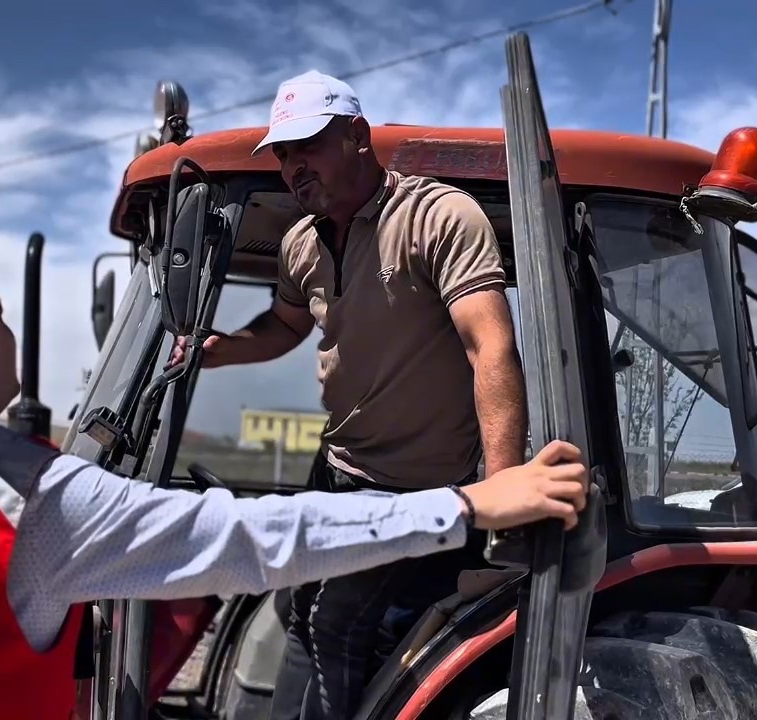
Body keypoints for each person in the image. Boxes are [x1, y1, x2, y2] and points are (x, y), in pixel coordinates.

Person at [0, 234, 580, 720]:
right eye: (3, 320)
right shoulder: (27, 498)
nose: (13, 335)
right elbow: (251, 539)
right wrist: (468, 503)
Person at [169, 70, 530, 719]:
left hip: (417, 486)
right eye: (283, 155)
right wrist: (213, 350)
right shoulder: (301, 244)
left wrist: (499, 492)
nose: (292, 168)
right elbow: (285, 326)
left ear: (357, 137)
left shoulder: (436, 218)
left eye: (306, 146)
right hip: (339, 467)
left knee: (334, 620)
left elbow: (491, 348)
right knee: (297, 600)